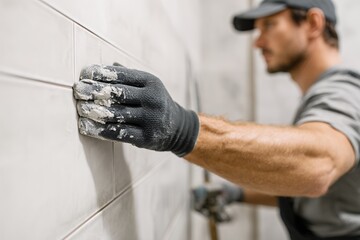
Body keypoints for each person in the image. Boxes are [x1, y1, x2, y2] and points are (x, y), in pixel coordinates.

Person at [73, 0, 360, 239]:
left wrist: (182, 129)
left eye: (270, 25)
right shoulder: (323, 95)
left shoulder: (344, 91)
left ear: (312, 23)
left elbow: (318, 166)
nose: (257, 42)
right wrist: (237, 193)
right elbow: (318, 190)